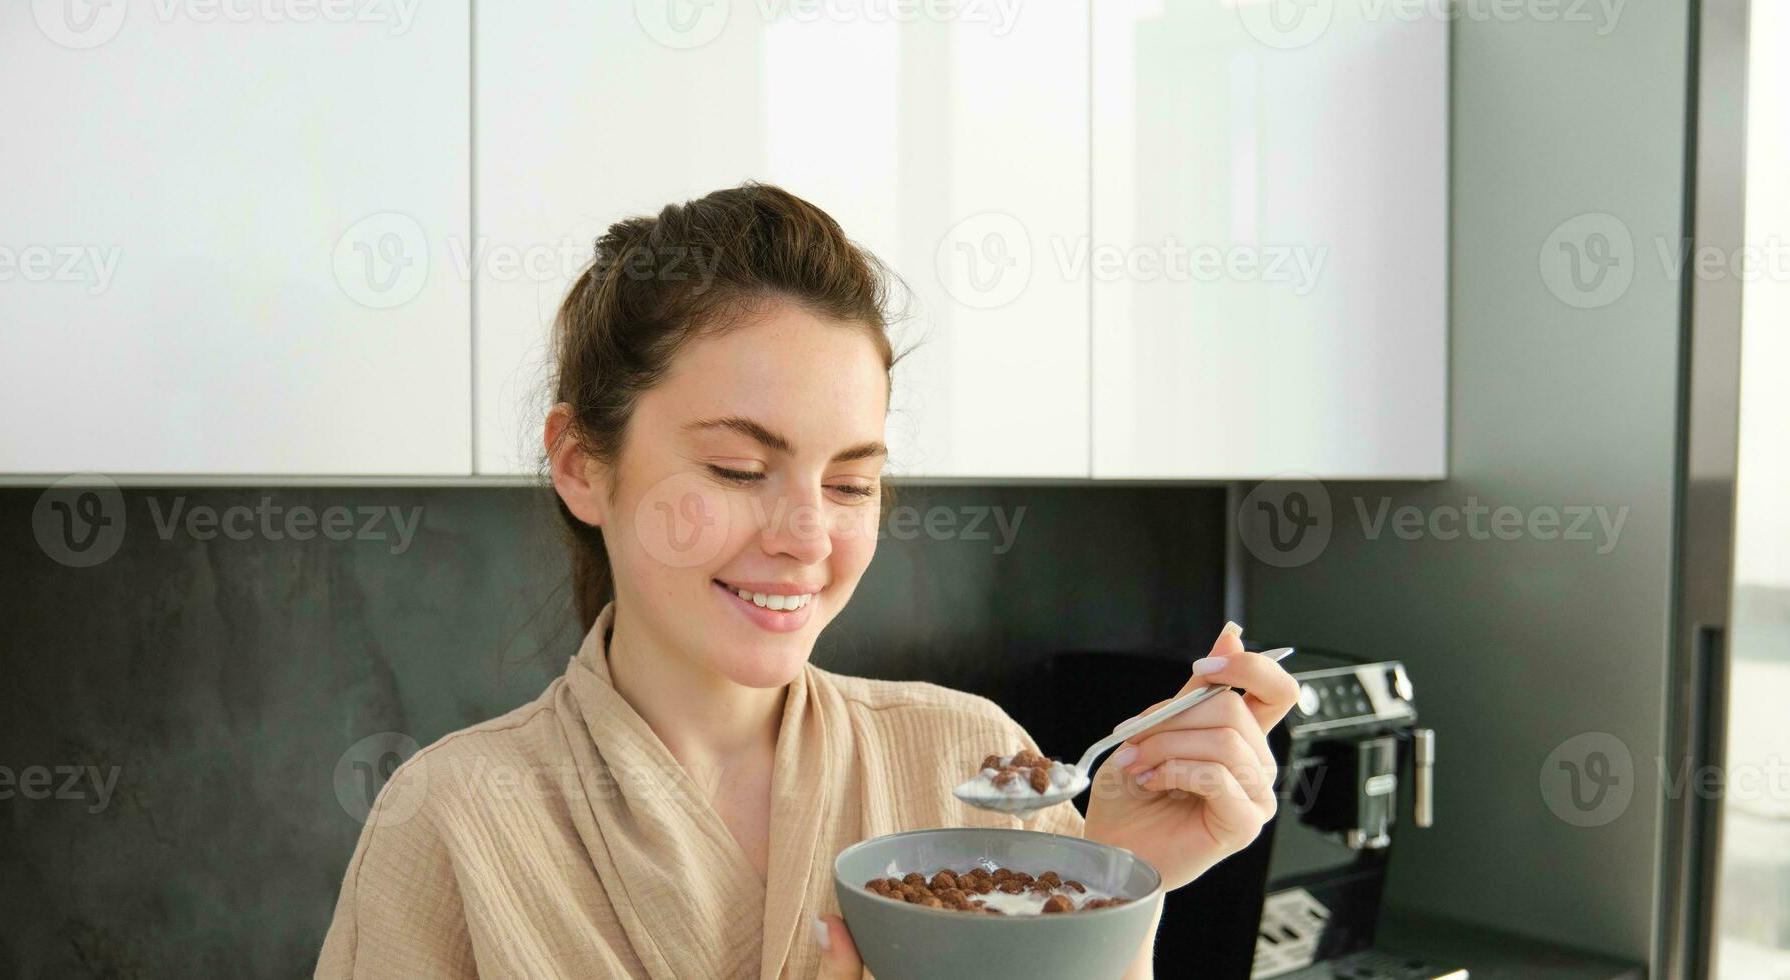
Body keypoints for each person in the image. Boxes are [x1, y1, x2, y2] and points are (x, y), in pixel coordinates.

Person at [313, 183, 1297, 979]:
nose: (806, 535)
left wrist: (1117, 882)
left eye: (849, 481)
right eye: (739, 471)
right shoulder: (451, 819)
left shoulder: (973, 765)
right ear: (579, 463)